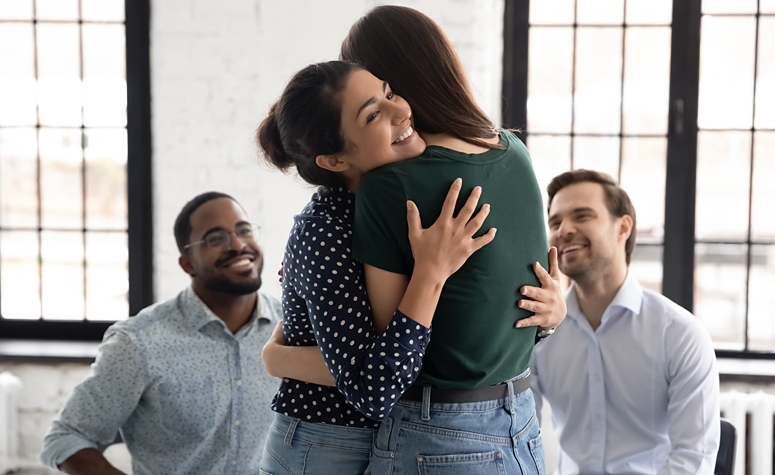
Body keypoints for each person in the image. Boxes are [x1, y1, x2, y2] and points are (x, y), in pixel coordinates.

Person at [337, 6, 563, 474]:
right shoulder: (513, 151)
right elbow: (512, 311)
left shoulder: (390, 185)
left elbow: (390, 352)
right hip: (521, 419)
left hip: (434, 430)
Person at [40, 192, 282, 475]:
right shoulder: (139, 342)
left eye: (244, 230)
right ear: (187, 263)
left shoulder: (293, 327)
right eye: (216, 238)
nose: (239, 245)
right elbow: (66, 438)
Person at [531, 169, 720, 475]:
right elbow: (519, 436)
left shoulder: (679, 334)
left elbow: (694, 459)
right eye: (555, 222)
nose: (563, 230)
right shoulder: (540, 336)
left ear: (623, 228)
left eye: (582, 216)